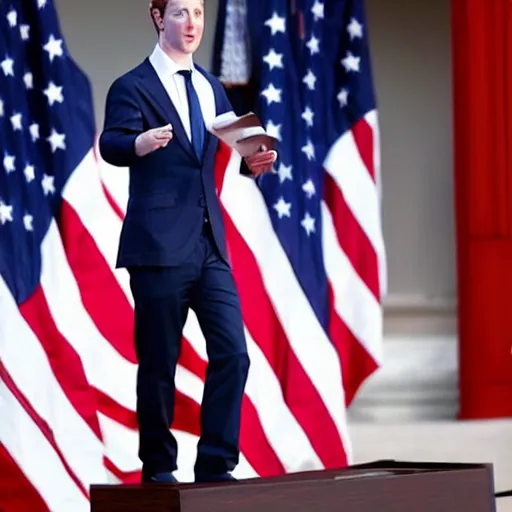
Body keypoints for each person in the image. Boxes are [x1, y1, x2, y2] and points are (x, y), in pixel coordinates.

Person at [99, 0, 276, 484]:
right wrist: (140, 143)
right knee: (160, 361)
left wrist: (253, 158)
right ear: (158, 18)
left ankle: (216, 465)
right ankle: (158, 467)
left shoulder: (210, 86)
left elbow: (230, 143)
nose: (192, 23)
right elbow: (112, 143)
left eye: (198, 13)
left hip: (208, 244)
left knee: (233, 353)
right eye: (180, 13)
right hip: (157, 246)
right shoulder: (131, 86)